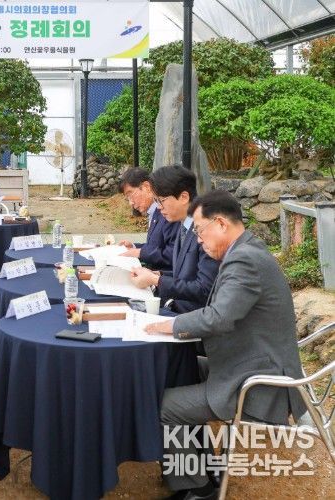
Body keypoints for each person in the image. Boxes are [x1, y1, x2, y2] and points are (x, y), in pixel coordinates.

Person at [144, 190, 305, 500]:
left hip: (258, 381)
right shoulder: (248, 249)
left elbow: (219, 317)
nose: (199, 241)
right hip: (249, 360)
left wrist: (171, 325)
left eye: (200, 231)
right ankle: (203, 468)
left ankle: (197, 489)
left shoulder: (244, 259)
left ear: (220, 223)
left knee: (165, 407)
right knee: (184, 370)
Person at [130, 166, 219, 314]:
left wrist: (157, 281)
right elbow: (186, 274)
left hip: (191, 316)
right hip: (176, 307)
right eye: (156, 201)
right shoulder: (183, 224)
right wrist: (158, 275)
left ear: (184, 197)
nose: (159, 207)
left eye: (161, 201)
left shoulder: (205, 230)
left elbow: (204, 289)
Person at [117, 167, 179, 272]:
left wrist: (140, 253)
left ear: (147, 187)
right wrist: (133, 247)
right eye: (127, 199)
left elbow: (173, 254)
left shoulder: (167, 213)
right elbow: (155, 246)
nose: (131, 203)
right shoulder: (154, 212)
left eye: (130, 195)